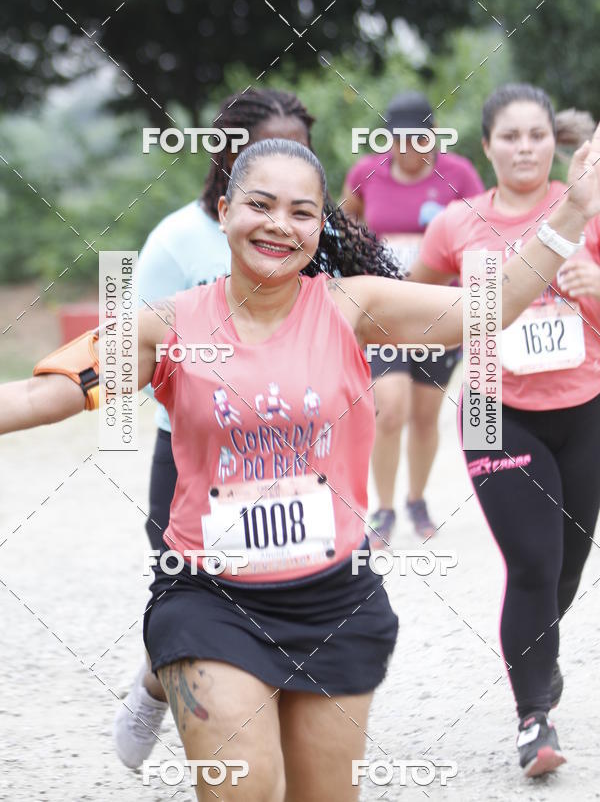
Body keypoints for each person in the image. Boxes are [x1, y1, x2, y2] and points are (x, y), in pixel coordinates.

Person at [2, 132, 598, 799]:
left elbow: (493, 307)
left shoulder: (353, 308)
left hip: (334, 600)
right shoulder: (163, 326)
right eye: (260, 205)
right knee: (248, 787)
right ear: (224, 210)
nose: (279, 225)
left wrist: (573, 209)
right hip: (210, 598)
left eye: (302, 212)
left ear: (322, 224)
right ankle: (155, 680)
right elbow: (38, 395)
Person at [114, 87, 326, 769]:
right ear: (228, 155)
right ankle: (156, 684)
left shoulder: (316, 231)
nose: (285, 162)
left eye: (301, 150)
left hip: (293, 463)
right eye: (268, 148)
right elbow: (123, 356)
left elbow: (375, 310)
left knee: (289, 610)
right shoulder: (177, 241)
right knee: (197, 610)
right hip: (195, 463)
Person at [409, 83, 599, 776]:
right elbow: (419, 297)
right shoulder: (456, 223)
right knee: (533, 562)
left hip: (585, 406)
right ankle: (534, 720)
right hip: (493, 406)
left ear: (556, 140)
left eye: (537, 135)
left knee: (567, 569)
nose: (525, 147)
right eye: (510, 136)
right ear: (485, 146)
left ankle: (537, 661)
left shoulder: (588, 207)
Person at [340, 91, 484, 545]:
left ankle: (417, 500)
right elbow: (345, 225)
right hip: (385, 315)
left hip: (440, 313)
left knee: (425, 415)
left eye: (419, 139)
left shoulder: (458, 174)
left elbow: (483, 228)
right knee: (390, 409)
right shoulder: (367, 173)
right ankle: (381, 509)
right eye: (399, 139)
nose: (409, 148)